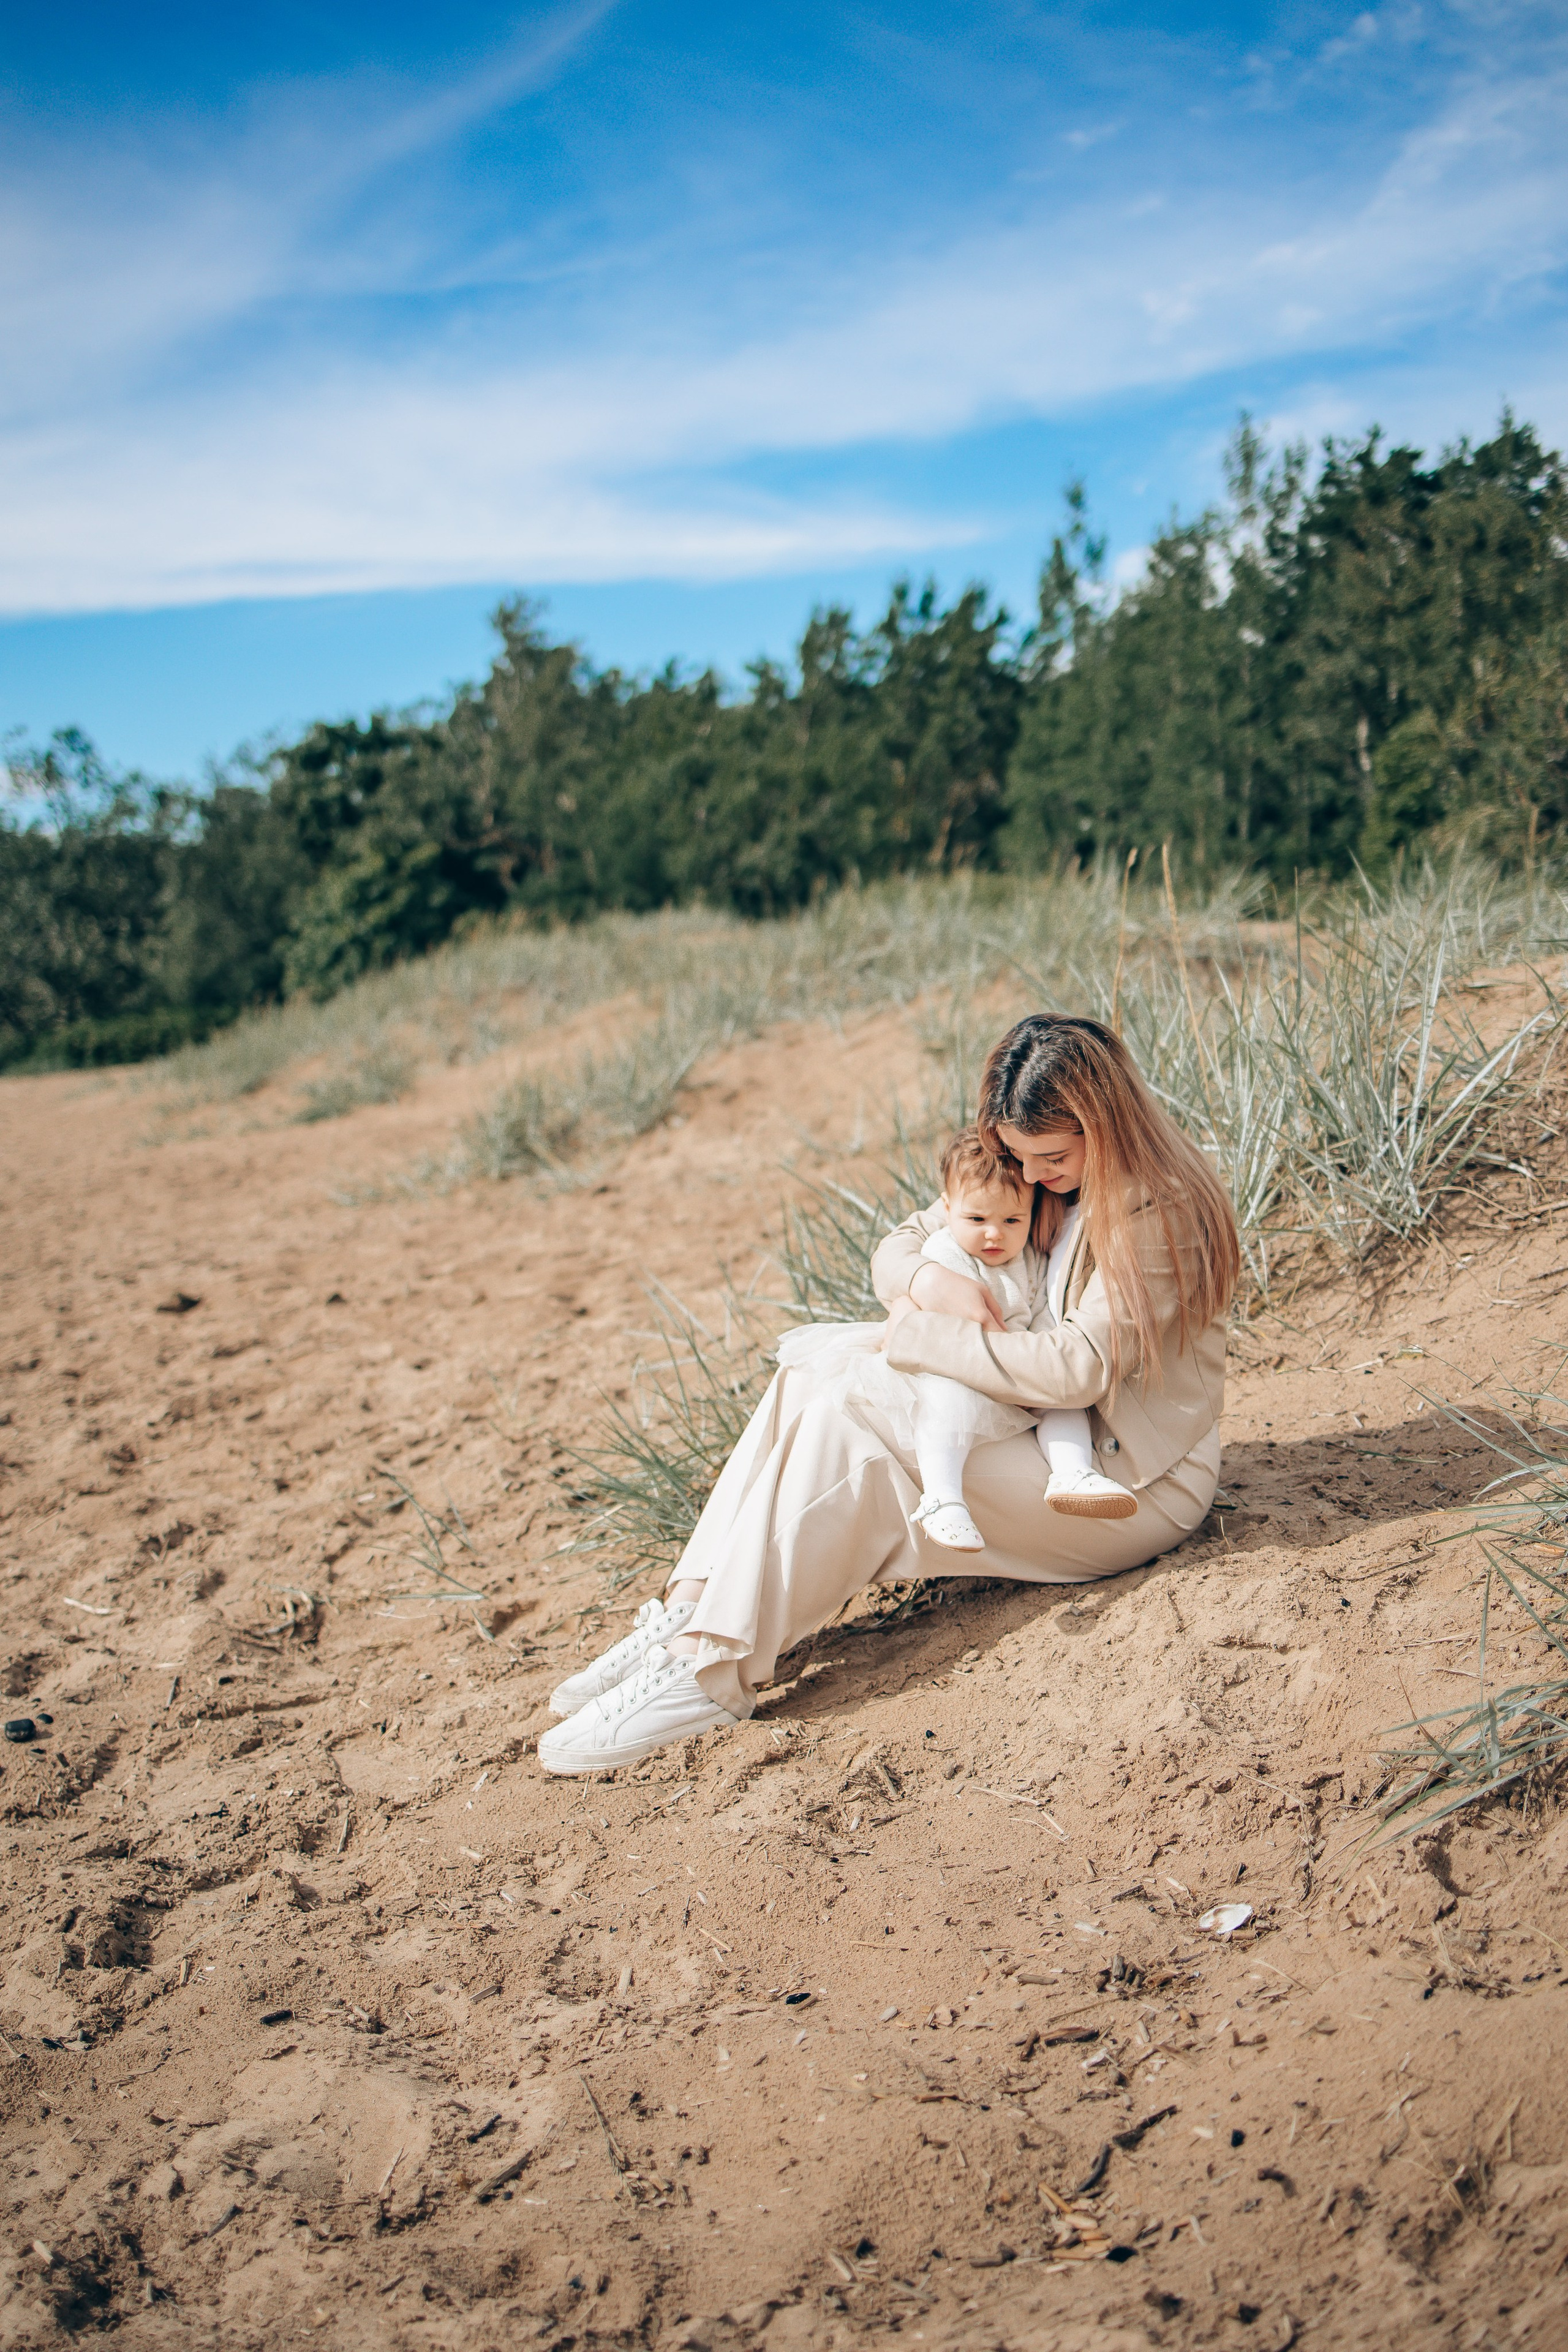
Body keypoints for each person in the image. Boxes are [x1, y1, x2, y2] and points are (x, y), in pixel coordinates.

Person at [538, 1012, 1239, 1777]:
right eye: (1018, 1157)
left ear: (1103, 1126)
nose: (1031, 1179)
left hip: (1129, 1477)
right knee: (810, 1374)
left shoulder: (1156, 1209)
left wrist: (914, 1333)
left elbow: (1079, 1370)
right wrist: (927, 1280)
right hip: (1039, 1432)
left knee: (854, 1436)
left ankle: (711, 1672)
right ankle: (695, 1609)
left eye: (1050, 1157)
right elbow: (900, 1244)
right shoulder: (1040, 1176)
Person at [771, 1126, 1135, 1553]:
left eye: (1011, 1221)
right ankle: (942, 1497)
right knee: (946, 1410)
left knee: (1064, 1407)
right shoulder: (948, 1253)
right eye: (977, 1220)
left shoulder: (1031, 1257)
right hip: (956, 1368)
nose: (994, 1234)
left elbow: (1040, 1316)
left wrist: (1033, 1354)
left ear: (1032, 1214)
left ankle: (1072, 1472)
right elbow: (928, 1314)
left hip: (1017, 1371)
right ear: (948, 1210)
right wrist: (920, 1291)